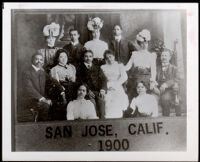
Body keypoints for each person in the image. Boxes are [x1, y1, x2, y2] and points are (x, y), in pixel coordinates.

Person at [23, 53, 65, 122]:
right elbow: (29, 89)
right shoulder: (27, 72)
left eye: (41, 60)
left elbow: (53, 80)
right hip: (31, 99)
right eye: (37, 59)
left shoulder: (42, 72)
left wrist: (61, 91)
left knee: (57, 104)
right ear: (32, 60)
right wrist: (43, 99)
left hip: (41, 99)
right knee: (45, 106)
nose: (39, 61)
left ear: (43, 62)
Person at [125, 29, 157, 101]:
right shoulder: (135, 54)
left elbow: (154, 70)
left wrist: (152, 82)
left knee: (142, 88)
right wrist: (119, 68)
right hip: (136, 77)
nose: (144, 45)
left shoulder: (151, 55)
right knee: (131, 93)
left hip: (146, 78)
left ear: (148, 43)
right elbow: (128, 66)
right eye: (142, 43)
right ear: (139, 44)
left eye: (146, 43)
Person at [76, 50, 106, 119]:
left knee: (101, 101)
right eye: (86, 56)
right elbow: (80, 81)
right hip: (86, 92)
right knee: (92, 103)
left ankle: (102, 121)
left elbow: (104, 79)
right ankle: (94, 121)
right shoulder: (80, 68)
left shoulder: (97, 68)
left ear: (92, 58)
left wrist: (102, 89)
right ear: (83, 57)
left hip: (97, 91)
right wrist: (87, 91)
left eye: (90, 56)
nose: (88, 58)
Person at [101, 50, 129, 118]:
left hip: (117, 85)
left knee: (117, 100)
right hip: (107, 86)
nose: (109, 59)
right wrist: (105, 87)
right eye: (107, 58)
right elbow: (102, 79)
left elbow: (124, 77)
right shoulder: (103, 67)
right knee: (108, 101)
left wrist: (116, 85)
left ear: (113, 56)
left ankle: (118, 117)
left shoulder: (119, 65)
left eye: (110, 57)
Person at [152, 50, 181, 116]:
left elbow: (176, 79)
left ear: (170, 57)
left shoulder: (174, 68)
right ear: (160, 57)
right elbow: (154, 79)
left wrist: (166, 84)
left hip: (170, 90)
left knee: (165, 98)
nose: (164, 57)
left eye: (166, 56)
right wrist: (154, 85)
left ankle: (166, 118)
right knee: (152, 98)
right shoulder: (156, 68)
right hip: (158, 90)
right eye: (162, 55)